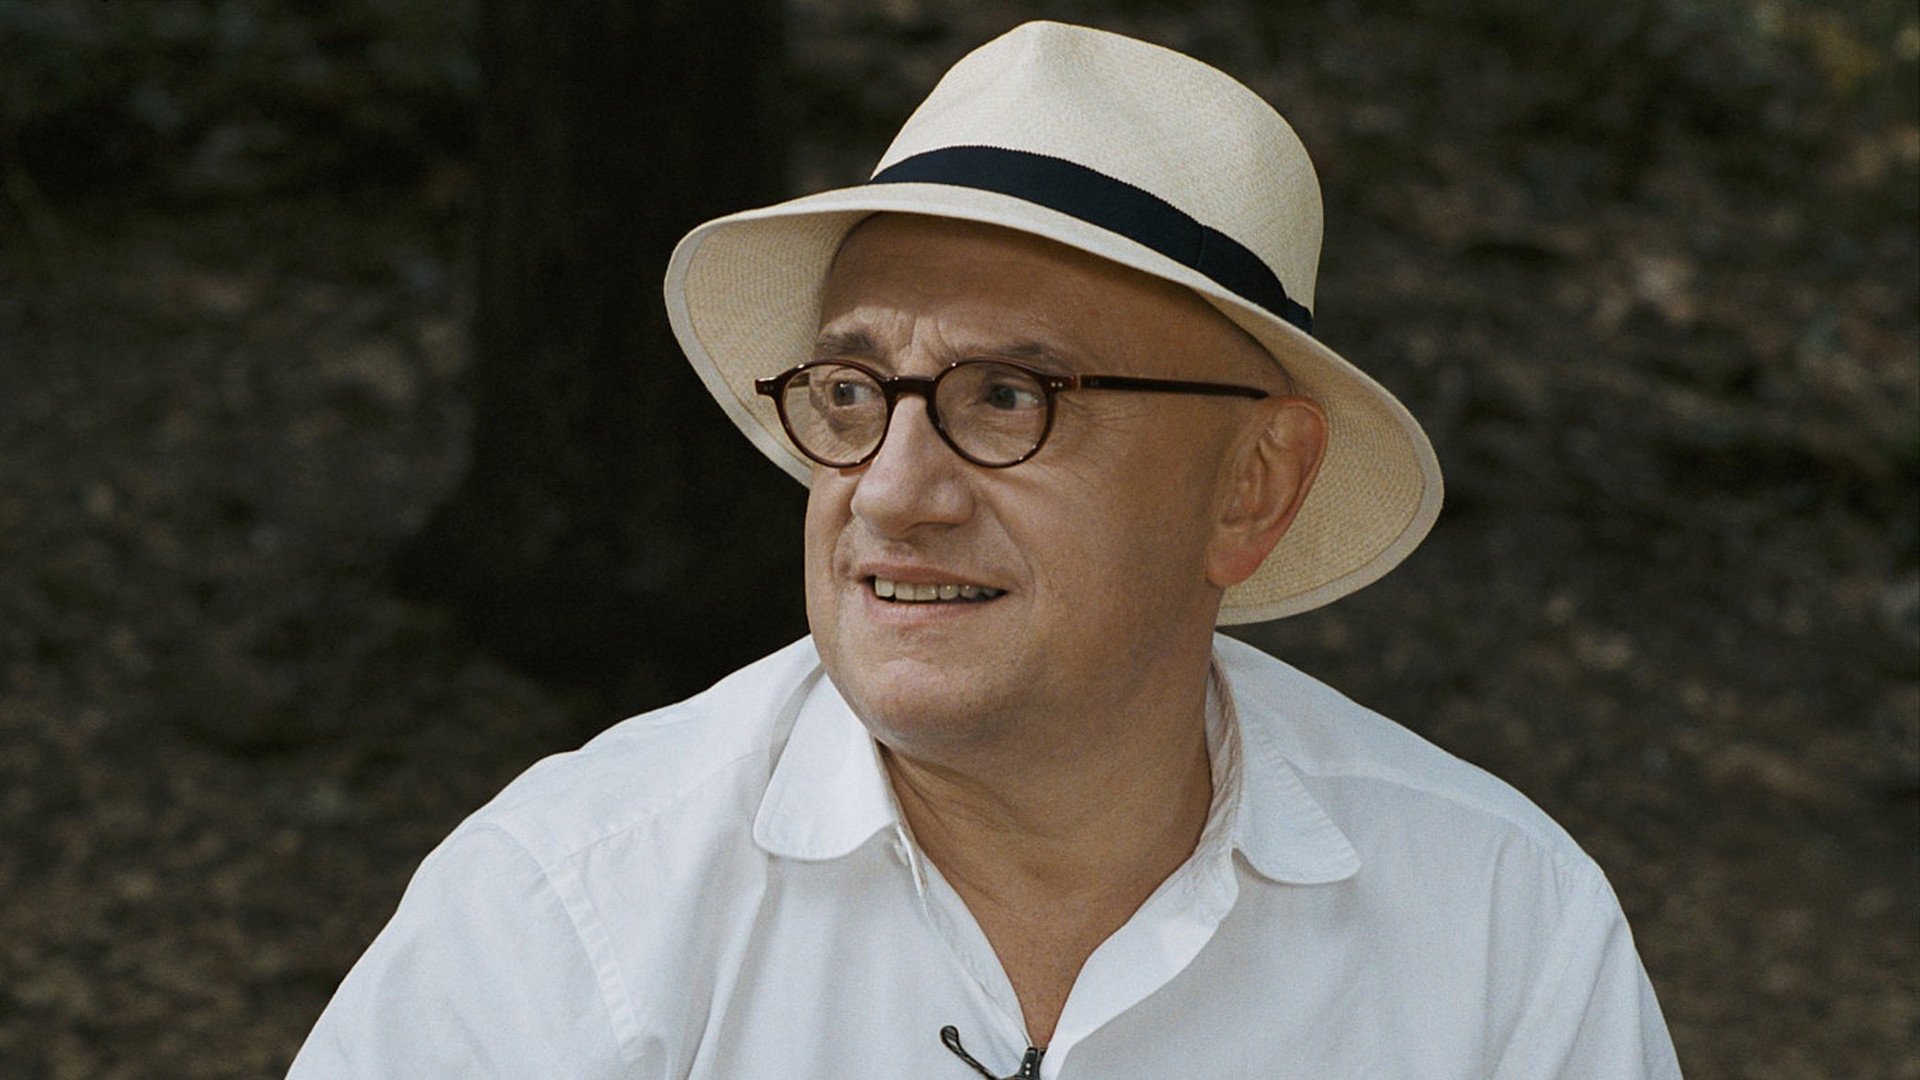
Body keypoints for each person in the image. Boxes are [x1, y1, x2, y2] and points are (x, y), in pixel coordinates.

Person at [289, 21, 1683, 1079]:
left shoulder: (1497, 928)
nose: (893, 493)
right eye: (851, 394)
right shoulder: (574, 906)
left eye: (1009, 398)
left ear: (1250, 488)